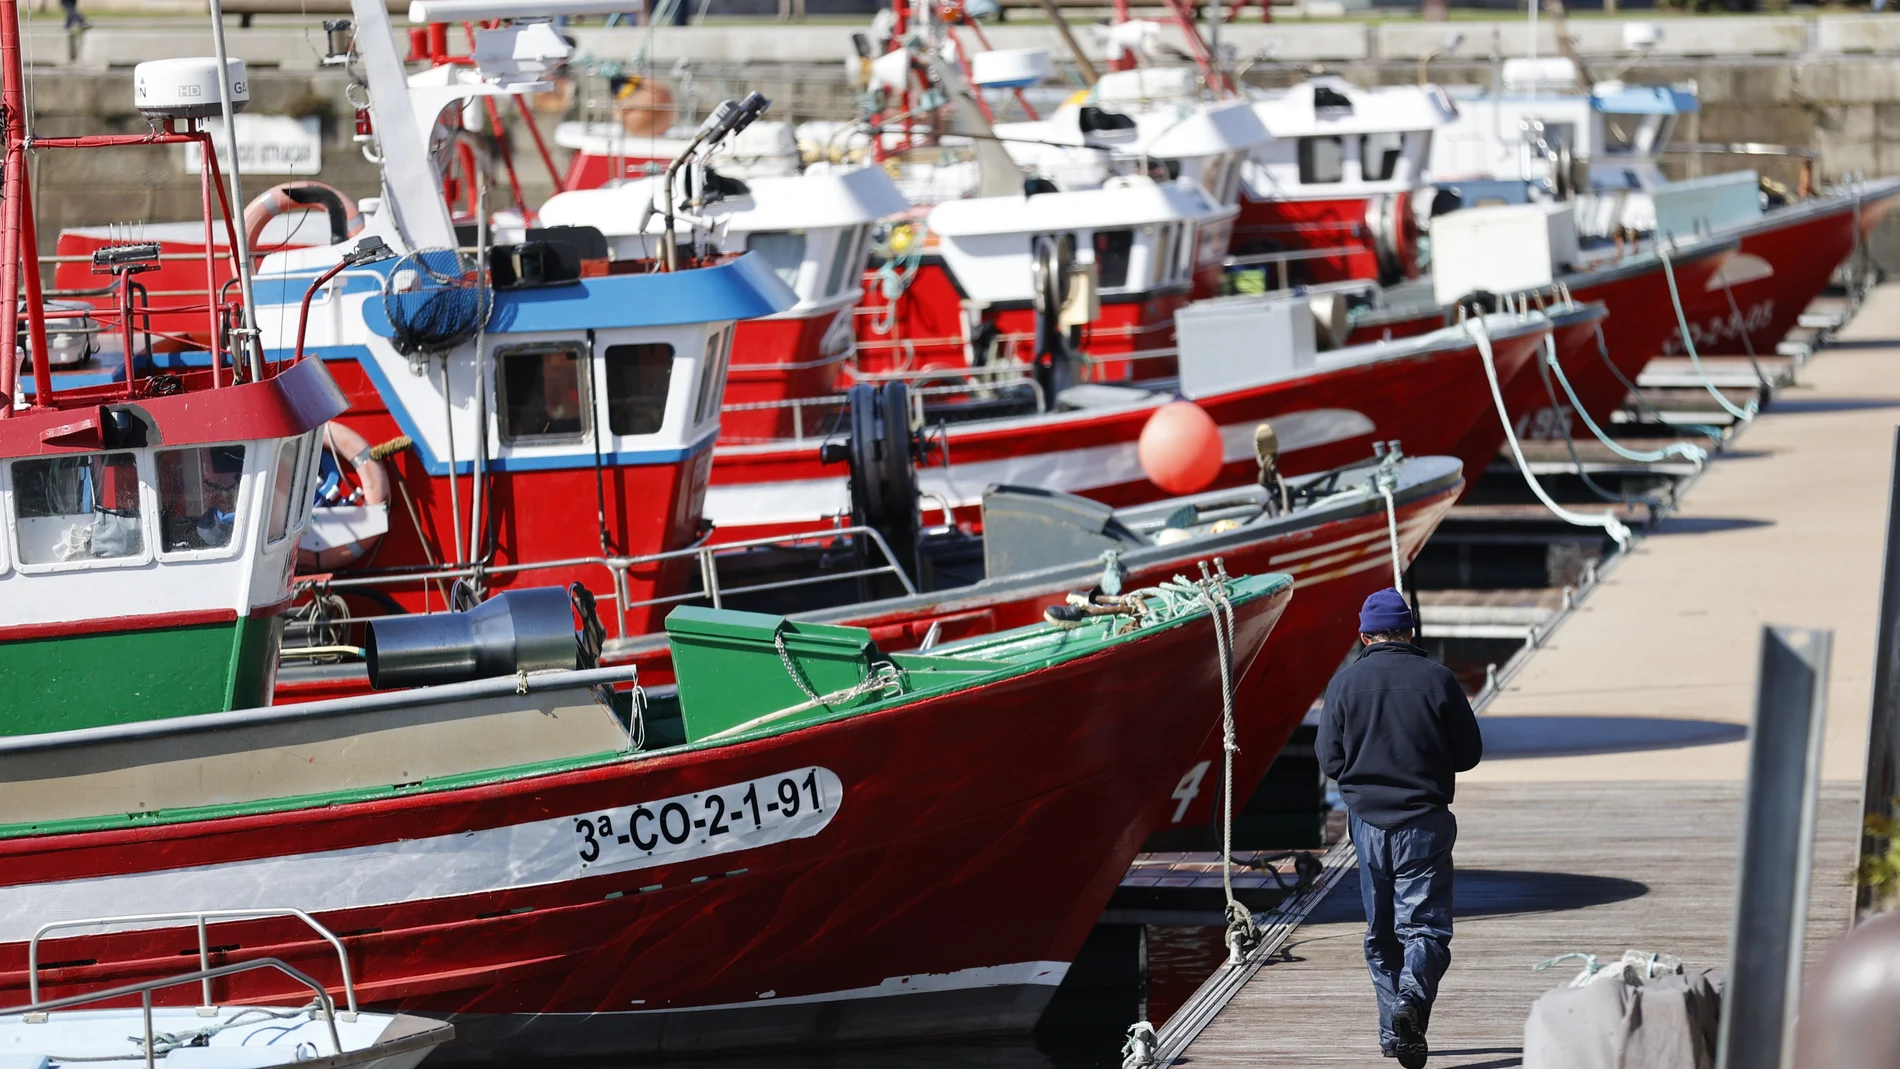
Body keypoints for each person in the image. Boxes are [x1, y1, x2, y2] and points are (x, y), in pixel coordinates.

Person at [1316, 588, 1483, 1069]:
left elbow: (1330, 760)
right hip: (1424, 823)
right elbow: (1468, 755)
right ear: (1410, 631)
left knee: (1381, 934)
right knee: (1425, 928)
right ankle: (1410, 1001)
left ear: (1364, 635)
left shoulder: (1345, 686)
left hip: (1367, 825)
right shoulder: (1439, 679)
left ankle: (1395, 1033)